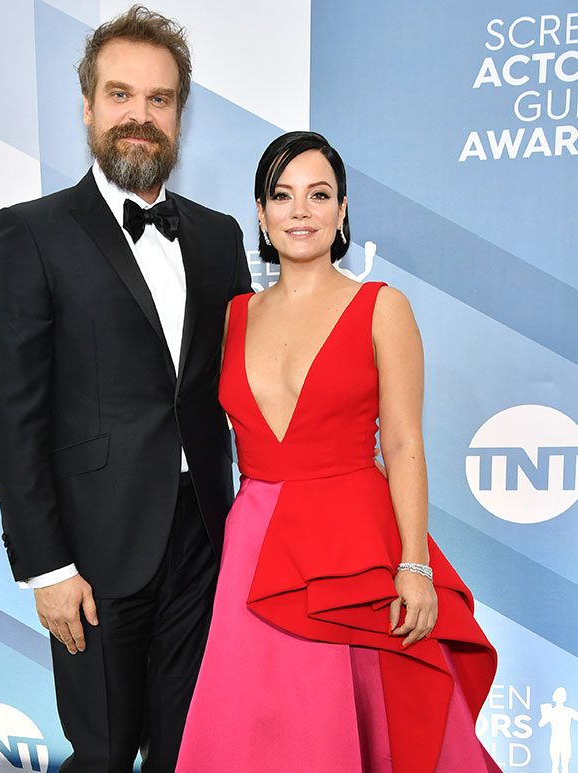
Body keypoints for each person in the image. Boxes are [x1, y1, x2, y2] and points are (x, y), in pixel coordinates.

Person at [0, 6, 251, 771]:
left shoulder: (219, 235)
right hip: (93, 555)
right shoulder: (31, 232)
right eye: (121, 95)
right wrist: (47, 566)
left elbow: (235, 388)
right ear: (90, 107)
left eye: (158, 99)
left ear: (180, 114)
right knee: (101, 752)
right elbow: (12, 413)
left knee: (186, 750)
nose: (140, 115)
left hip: (202, 539)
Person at [176, 131, 501, 773]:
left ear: (342, 211)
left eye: (318, 195)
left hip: (354, 544)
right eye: (283, 195)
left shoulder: (382, 307)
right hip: (254, 545)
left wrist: (415, 566)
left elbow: (405, 443)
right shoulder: (233, 314)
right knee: (258, 726)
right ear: (262, 213)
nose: (300, 211)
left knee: (366, 724)